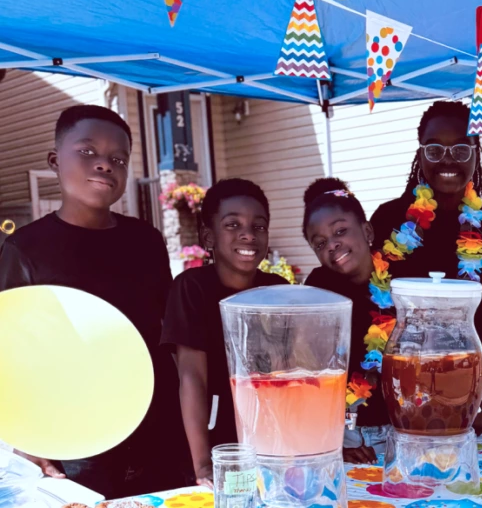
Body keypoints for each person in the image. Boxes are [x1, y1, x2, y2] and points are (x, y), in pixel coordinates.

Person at [0, 105, 190, 498]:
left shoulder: (146, 241)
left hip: (157, 421)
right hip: (76, 431)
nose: (104, 164)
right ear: (55, 160)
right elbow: (12, 352)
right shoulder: (25, 248)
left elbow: (165, 331)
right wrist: (25, 434)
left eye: (118, 158)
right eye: (87, 152)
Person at [370, 101, 482, 432]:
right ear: (421, 153)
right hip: (401, 383)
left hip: (471, 382)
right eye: (435, 148)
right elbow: (367, 298)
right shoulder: (387, 220)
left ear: (475, 152)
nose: (448, 159)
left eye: (460, 148)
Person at [160, 178, 289, 487]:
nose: (248, 234)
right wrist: (203, 463)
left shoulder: (278, 290)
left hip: (271, 444)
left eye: (259, 226)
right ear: (208, 237)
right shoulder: (192, 288)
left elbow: (287, 372)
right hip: (215, 448)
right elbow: (192, 377)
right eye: (233, 225)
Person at [300, 178, 387, 464]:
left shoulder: (398, 280)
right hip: (343, 427)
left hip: (400, 426)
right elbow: (309, 371)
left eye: (340, 231)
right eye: (320, 242)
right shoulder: (317, 289)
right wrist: (332, 446)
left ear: (367, 230)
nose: (333, 244)